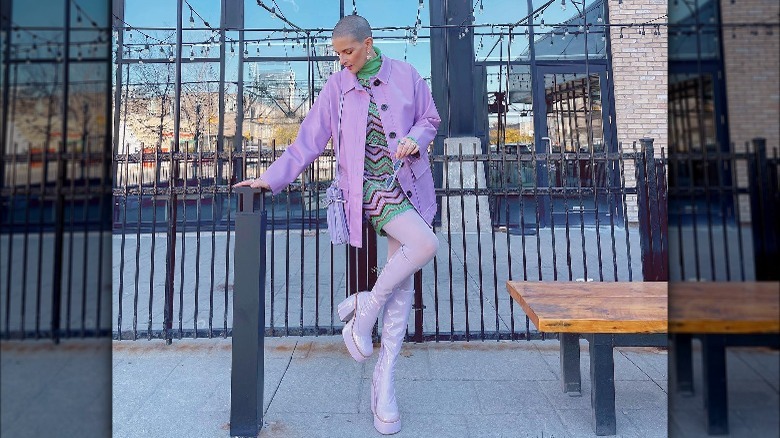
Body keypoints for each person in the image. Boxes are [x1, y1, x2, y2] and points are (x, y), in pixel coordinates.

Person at [234, 14, 440, 435]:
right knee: (424, 246)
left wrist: (415, 139)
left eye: (348, 51)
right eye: (337, 53)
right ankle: (364, 315)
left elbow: (430, 120)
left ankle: (384, 384)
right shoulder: (336, 88)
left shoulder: (406, 75)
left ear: (368, 43)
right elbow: (307, 141)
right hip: (369, 189)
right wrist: (269, 178)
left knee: (400, 287)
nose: (342, 60)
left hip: (411, 185)